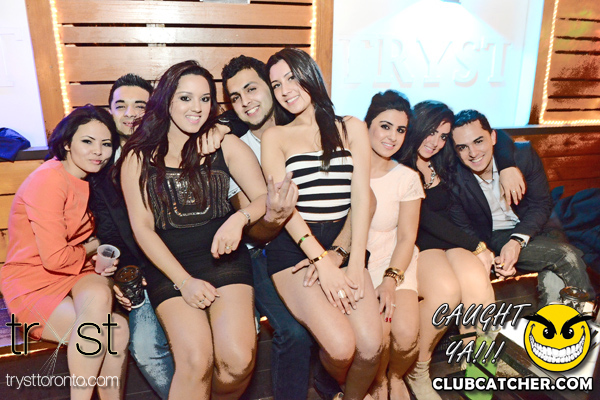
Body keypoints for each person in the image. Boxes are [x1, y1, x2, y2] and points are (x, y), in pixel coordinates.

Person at [119, 60, 267, 399]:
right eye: (186, 98)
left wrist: (239, 218)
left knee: (239, 361)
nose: (196, 108)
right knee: (196, 361)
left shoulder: (224, 144)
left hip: (223, 258)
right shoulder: (137, 157)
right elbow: (143, 229)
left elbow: (263, 198)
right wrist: (183, 281)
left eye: (205, 99)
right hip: (169, 265)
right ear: (167, 101)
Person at [261, 48, 382, 400]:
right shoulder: (275, 137)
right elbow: (286, 210)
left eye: (291, 78)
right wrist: (321, 261)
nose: (285, 90)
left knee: (371, 347)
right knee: (341, 348)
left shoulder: (351, 127)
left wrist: (353, 261)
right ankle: (328, 383)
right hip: (295, 247)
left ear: (310, 75)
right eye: (276, 84)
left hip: (345, 241)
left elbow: (361, 197)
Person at [221, 55, 344, 400]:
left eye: (252, 89)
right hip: (260, 252)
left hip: (317, 241)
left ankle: (331, 384)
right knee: (294, 332)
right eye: (235, 97)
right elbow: (254, 232)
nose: (245, 102)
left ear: (272, 88)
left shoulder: (307, 124)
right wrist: (274, 216)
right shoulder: (235, 147)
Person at [395, 101, 527, 399]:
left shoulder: (442, 161)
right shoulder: (400, 163)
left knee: (478, 286)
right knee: (447, 291)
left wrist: (507, 165)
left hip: (452, 242)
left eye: (443, 136)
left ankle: (477, 368)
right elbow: (425, 220)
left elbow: (501, 137)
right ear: (417, 126)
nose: (435, 142)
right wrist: (476, 246)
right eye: (431, 132)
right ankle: (419, 369)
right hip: (418, 244)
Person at [0, 105, 129, 400]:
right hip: (33, 281)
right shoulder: (49, 180)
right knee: (114, 331)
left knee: (107, 310)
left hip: (76, 272)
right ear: (67, 143)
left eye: (106, 143)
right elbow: (55, 258)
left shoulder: (92, 178)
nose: (98, 152)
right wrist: (93, 246)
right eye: (87, 141)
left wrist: (100, 260)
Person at [87, 73, 176, 399]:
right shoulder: (99, 164)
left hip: (182, 262)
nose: (130, 113)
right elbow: (107, 232)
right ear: (110, 111)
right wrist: (118, 277)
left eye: (139, 105)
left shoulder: (169, 149)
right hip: (136, 273)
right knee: (145, 346)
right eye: (120, 105)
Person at [450, 109, 595, 307]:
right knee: (566, 256)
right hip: (497, 236)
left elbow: (541, 204)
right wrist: (492, 257)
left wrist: (517, 241)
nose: (473, 153)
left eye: (478, 141)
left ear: (493, 137)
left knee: (555, 271)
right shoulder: (454, 178)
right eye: (463, 147)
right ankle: (587, 316)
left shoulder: (523, 156)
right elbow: (463, 227)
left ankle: (558, 320)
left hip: (539, 225)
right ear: (456, 151)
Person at [363, 90, 423, 400]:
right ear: (367, 125)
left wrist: (390, 280)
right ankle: (377, 381)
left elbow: (406, 238)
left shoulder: (407, 178)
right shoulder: (347, 170)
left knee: (406, 335)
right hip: (358, 263)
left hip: (395, 259)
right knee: (380, 335)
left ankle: (396, 375)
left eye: (400, 130)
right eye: (385, 126)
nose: (392, 136)